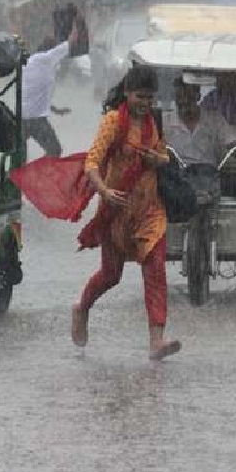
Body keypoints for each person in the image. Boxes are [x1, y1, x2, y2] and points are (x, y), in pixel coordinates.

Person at [71, 66, 181, 361]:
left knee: (155, 269)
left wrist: (158, 159)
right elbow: (92, 163)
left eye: (150, 97)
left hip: (149, 211)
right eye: (140, 96)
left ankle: (156, 340)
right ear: (127, 94)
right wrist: (104, 192)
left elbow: (165, 154)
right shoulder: (112, 123)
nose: (145, 103)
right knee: (111, 275)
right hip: (116, 211)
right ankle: (81, 308)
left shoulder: (153, 123)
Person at [21, 22, 78, 157]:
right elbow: (72, 41)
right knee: (55, 150)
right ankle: (38, 174)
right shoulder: (46, 59)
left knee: (19, 154)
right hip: (35, 120)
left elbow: (34, 94)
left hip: (22, 117)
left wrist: (55, 109)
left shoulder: (31, 62)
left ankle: (17, 175)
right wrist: (76, 23)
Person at [164, 77, 236, 168]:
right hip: (175, 175)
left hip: (208, 175)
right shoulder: (165, 121)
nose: (184, 101)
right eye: (180, 98)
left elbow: (233, 147)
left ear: (198, 96)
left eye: (189, 97)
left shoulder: (215, 120)